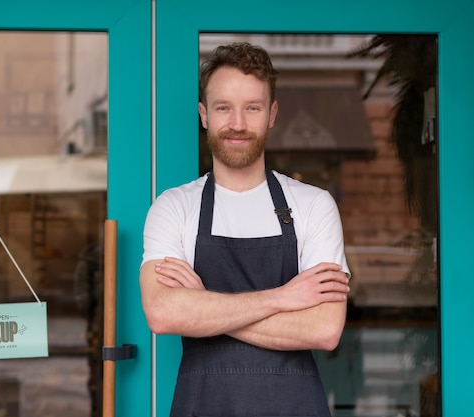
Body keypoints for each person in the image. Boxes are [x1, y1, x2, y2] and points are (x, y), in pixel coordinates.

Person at [139, 42, 351, 417]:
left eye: (252, 108)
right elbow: (163, 313)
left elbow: (324, 329)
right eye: (224, 107)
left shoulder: (314, 205)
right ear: (204, 114)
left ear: (271, 114)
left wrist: (205, 305)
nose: (237, 123)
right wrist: (283, 298)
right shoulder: (174, 207)